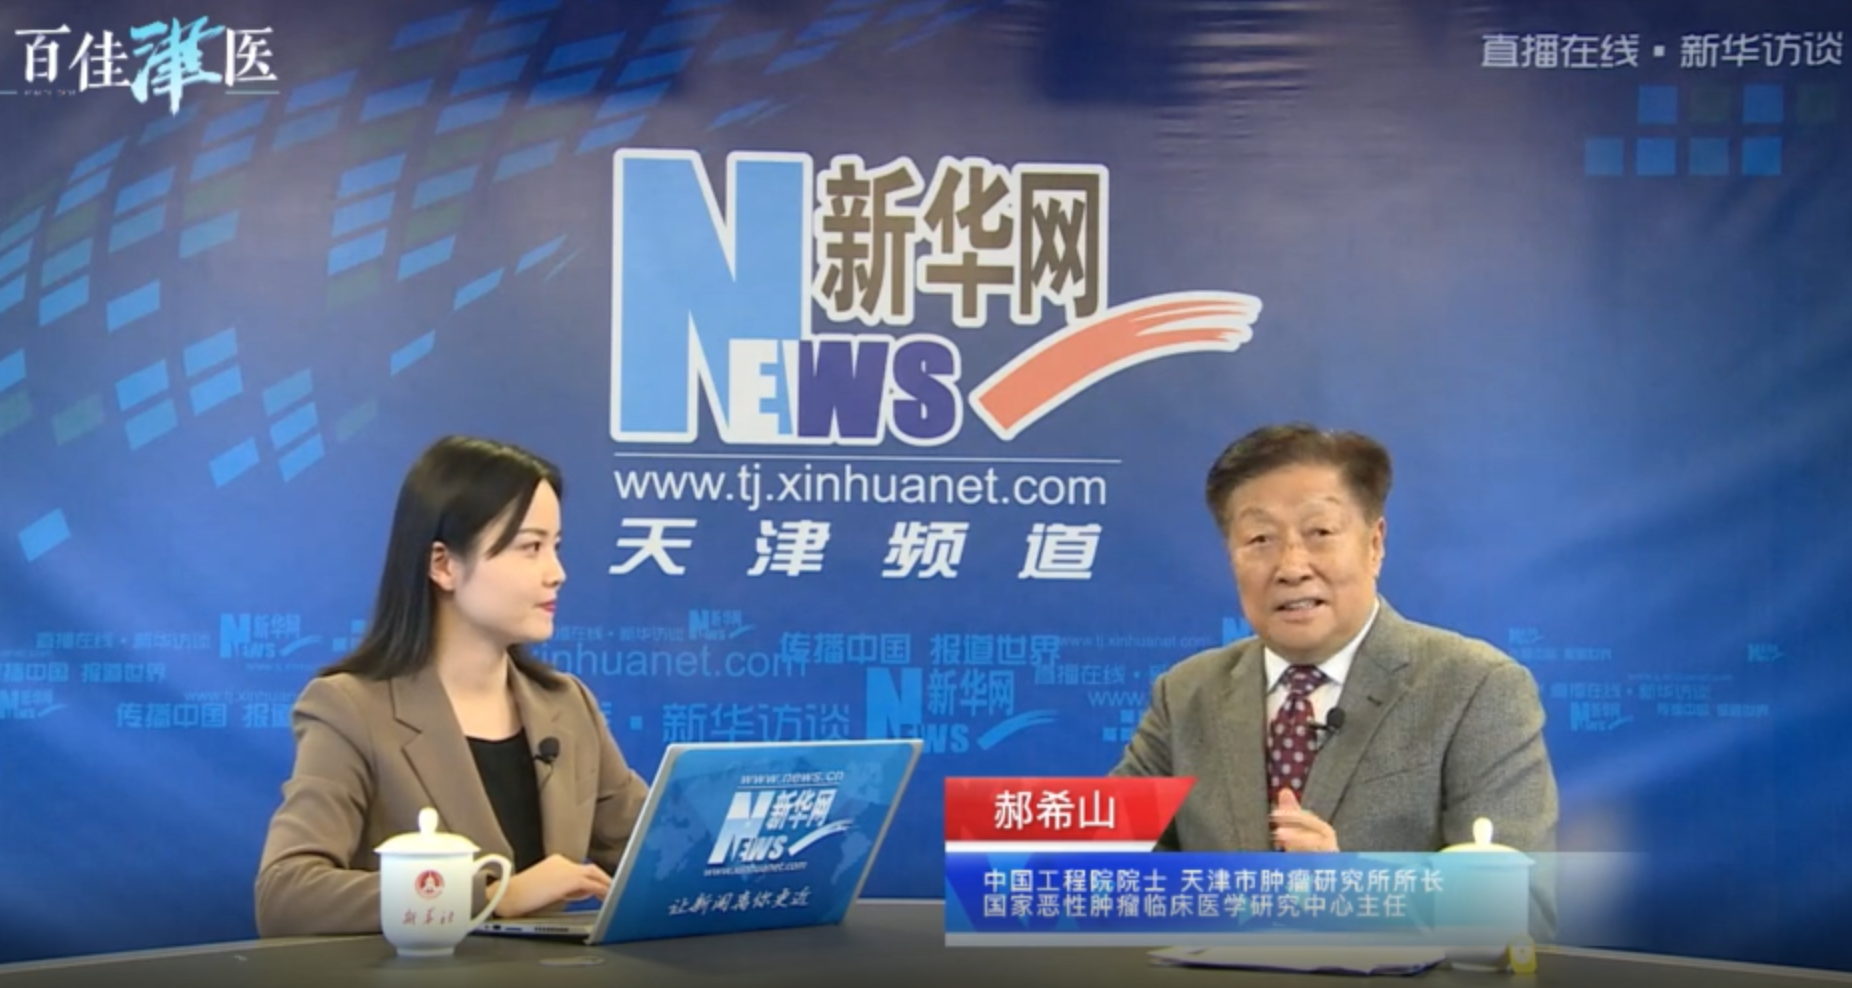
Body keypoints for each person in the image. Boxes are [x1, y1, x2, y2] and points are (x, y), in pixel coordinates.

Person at [1110, 423, 1559, 932]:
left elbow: (1522, 912)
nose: (1291, 566)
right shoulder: (1187, 693)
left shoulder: (1477, 688)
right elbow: (1106, 871)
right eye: (1260, 539)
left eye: (1319, 533)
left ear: (1375, 543)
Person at [254, 436, 650, 937]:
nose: (557, 574)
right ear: (443, 564)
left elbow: (658, 856)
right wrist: (493, 895)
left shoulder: (567, 705)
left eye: (556, 547)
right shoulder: (351, 708)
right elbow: (286, 895)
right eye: (530, 547)